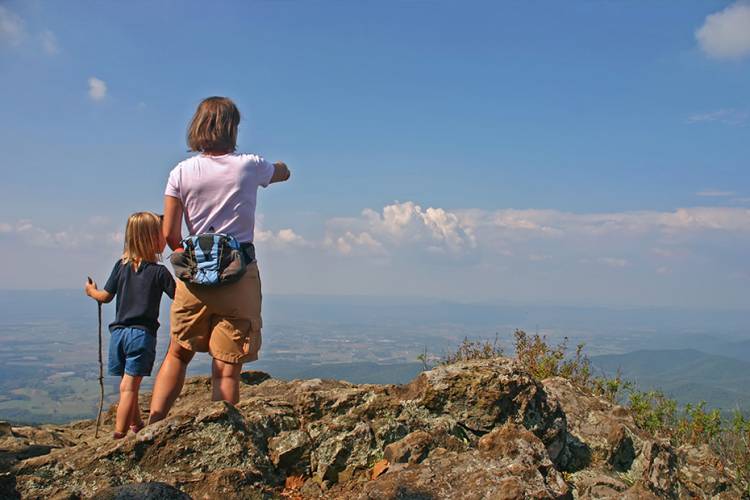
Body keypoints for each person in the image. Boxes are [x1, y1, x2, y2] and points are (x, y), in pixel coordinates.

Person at [148, 96, 290, 424]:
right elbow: (282, 172)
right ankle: (225, 431)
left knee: (178, 352)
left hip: (194, 278)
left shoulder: (180, 172)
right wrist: (281, 167)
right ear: (233, 128)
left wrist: (194, 261)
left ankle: (153, 425)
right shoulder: (249, 165)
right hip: (238, 275)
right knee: (226, 367)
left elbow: (170, 233)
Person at [85, 211, 175, 438]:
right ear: (152, 238)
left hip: (118, 335)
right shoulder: (160, 272)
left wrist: (90, 291)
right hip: (141, 336)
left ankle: (136, 425)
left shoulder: (121, 266)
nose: (165, 239)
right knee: (129, 387)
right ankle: (119, 436)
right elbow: (181, 297)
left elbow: (104, 297)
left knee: (126, 386)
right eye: (162, 234)